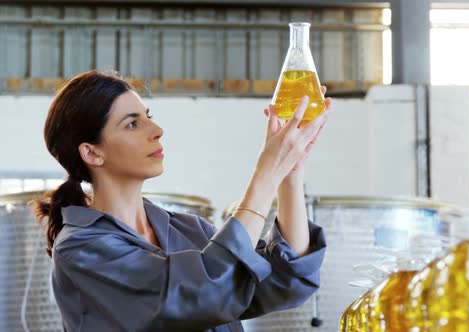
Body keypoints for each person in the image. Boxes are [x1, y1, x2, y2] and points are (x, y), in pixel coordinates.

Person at [30, 70, 333, 331]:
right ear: (92, 152)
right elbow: (200, 292)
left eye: (148, 117)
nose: (158, 131)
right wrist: (265, 174)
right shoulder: (81, 249)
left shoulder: (191, 230)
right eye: (132, 124)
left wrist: (289, 174)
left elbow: (286, 281)